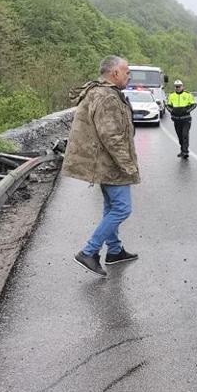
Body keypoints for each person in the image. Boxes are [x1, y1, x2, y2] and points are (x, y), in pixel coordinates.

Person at [63, 55, 140, 277]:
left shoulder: (102, 92)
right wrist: (128, 166)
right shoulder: (107, 97)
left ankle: (114, 251)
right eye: (126, 72)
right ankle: (89, 252)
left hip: (105, 163)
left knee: (111, 207)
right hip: (110, 164)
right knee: (122, 209)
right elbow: (111, 136)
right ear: (114, 73)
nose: (129, 76)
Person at [167, 80, 197, 158]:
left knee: (185, 135)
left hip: (186, 119)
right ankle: (182, 150)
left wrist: (186, 111)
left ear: (182, 86)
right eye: (176, 86)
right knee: (180, 137)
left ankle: (185, 152)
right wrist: (172, 111)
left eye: (179, 86)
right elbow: (168, 106)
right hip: (176, 120)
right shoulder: (171, 95)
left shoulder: (188, 95)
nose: (178, 88)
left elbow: (194, 105)